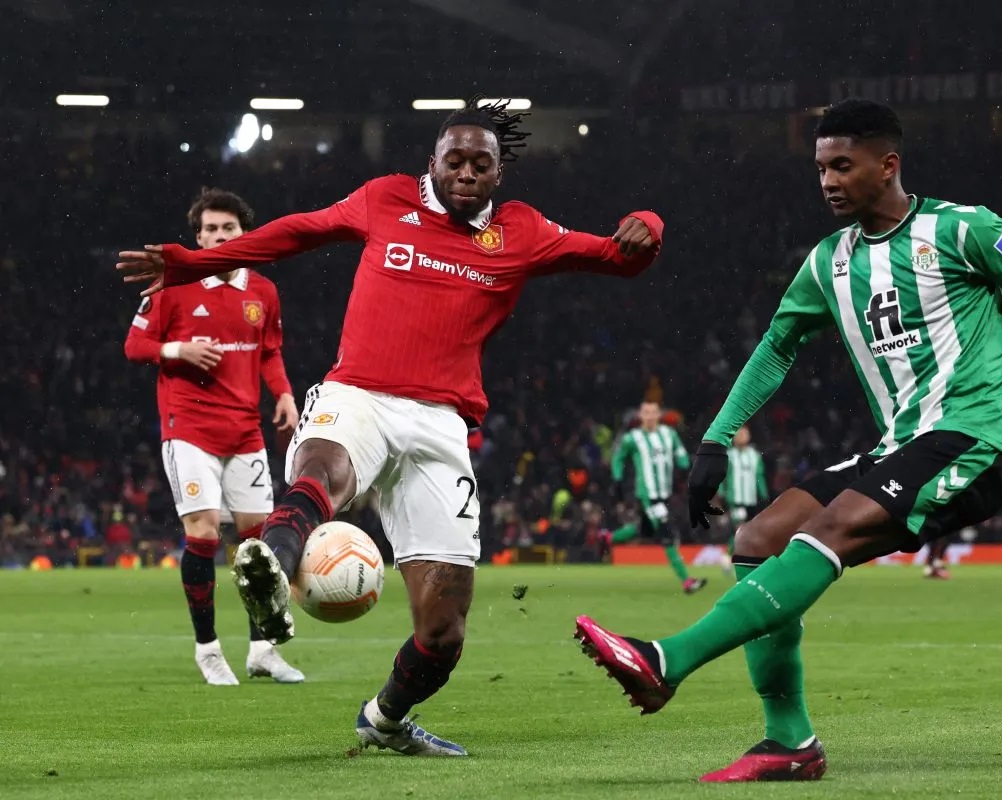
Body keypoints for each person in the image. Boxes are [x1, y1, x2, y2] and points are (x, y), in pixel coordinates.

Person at [572, 99, 1002, 782]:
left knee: (832, 526)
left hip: (971, 440)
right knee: (759, 540)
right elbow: (776, 348)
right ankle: (789, 742)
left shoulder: (963, 229)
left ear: (888, 165)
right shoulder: (828, 262)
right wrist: (713, 440)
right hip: (897, 445)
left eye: (842, 165)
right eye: (820, 167)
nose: (827, 180)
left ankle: (664, 660)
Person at [117, 97, 664, 755]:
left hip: (442, 426)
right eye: (453, 160)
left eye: (479, 164)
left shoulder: (521, 230)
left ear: (498, 174)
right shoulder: (386, 200)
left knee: (445, 630)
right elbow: (294, 232)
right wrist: (193, 262)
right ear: (430, 162)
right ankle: (274, 564)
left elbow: (620, 256)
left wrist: (647, 223)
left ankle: (384, 719)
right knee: (327, 464)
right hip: (361, 394)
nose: (465, 173)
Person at [124, 188, 303, 686]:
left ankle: (263, 651)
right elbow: (135, 345)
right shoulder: (174, 286)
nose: (218, 237)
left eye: (227, 229)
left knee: (257, 544)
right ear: (198, 236)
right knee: (203, 532)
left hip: (245, 430)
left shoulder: (263, 291)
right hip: (189, 428)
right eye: (209, 230)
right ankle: (207, 649)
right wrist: (178, 348)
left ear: (244, 235)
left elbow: (269, 351)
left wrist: (284, 395)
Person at [609, 401, 706, 594]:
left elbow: (681, 456)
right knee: (667, 534)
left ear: (659, 414)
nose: (650, 416)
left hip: (665, 493)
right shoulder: (633, 438)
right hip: (648, 495)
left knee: (642, 529)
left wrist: (685, 467)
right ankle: (687, 581)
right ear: (640, 415)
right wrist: (618, 479)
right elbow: (618, 458)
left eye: (654, 412)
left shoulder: (669, 435)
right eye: (646, 412)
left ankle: (607, 538)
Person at [718, 426, 769, 575]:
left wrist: (764, 495)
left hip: (751, 499)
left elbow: (759, 476)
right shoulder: (729, 455)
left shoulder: (755, 455)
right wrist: (722, 494)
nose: (742, 436)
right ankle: (728, 557)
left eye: (745, 433)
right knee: (740, 529)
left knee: (747, 531)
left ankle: (734, 557)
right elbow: (722, 476)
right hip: (736, 499)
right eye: (739, 434)